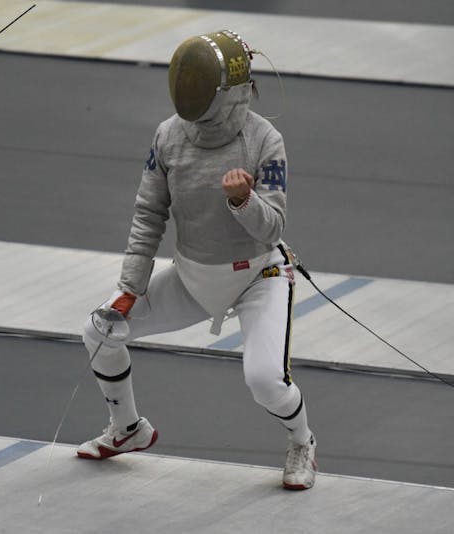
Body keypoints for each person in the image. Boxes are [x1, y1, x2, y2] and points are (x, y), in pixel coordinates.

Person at [76, 30, 317, 490]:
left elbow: (273, 229)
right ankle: (128, 429)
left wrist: (245, 200)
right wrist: (130, 288)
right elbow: (149, 214)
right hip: (191, 278)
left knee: (266, 380)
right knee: (99, 331)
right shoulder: (169, 136)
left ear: (225, 91)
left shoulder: (265, 140)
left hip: (258, 279)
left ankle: (303, 442)